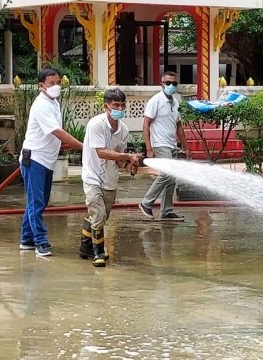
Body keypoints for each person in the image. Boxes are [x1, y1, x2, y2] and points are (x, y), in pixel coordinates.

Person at [19, 68, 84, 257]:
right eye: (51, 83)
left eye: (58, 83)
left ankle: (26, 238)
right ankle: (41, 241)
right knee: (36, 202)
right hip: (35, 159)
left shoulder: (53, 103)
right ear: (41, 86)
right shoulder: (41, 105)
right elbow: (57, 131)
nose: (56, 87)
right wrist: (82, 146)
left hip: (47, 160)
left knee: (38, 202)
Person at [78, 89, 142, 267]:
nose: (120, 109)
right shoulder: (96, 124)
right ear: (106, 106)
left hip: (110, 178)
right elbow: (101, 152)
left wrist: (130, 164)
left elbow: (119, 157)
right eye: (115, 106)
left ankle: (85, 247)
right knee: (98, 215)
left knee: (100, 216)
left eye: (122, 105)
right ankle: (98, 253)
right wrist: (127, 157)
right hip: (92, 176)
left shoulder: (123, 130)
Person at [137, 71, 189, 221]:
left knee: (172, 178)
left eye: (174, 83)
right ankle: (146, 202)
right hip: (160, 144)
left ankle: (167, 211)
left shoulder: (176, 102)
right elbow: (146, 125)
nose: (171, 86)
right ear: (162, 84)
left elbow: (179, 126)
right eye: (168, 83)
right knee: (167, 174)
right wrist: (149, 148)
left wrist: (185, 147)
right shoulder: (155, 101)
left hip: (172, 144)